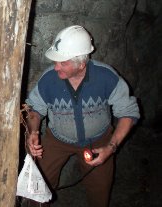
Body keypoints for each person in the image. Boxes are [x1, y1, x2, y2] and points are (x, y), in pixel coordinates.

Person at [25, 25, 140, 207]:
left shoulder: (106, 77)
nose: (56, 67)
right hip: (56, 140)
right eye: (56, 61)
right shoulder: (48, 79)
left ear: (81, 63)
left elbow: (128, 112)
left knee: (100, 191)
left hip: (98, 140)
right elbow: (34, 109)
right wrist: (33, 132)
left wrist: (111, 147)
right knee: (37, 185)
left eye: (63, 62)